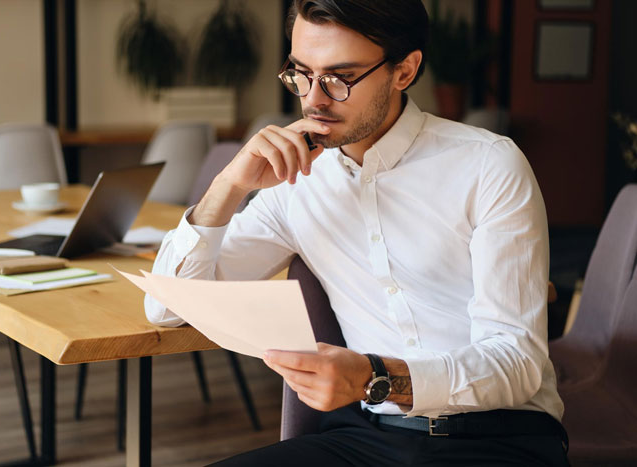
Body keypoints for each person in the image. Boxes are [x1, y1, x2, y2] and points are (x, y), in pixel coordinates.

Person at [145, 1, 569, 465]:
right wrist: (228, 186)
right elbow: (167, 307)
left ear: (404, 71)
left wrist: (374, 377)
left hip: (500, 437)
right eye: (302, 73)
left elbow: (518, 363)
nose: (313, 100)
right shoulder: (297, 184)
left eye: (339, 78)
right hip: (364, 438)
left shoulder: (489, 165)